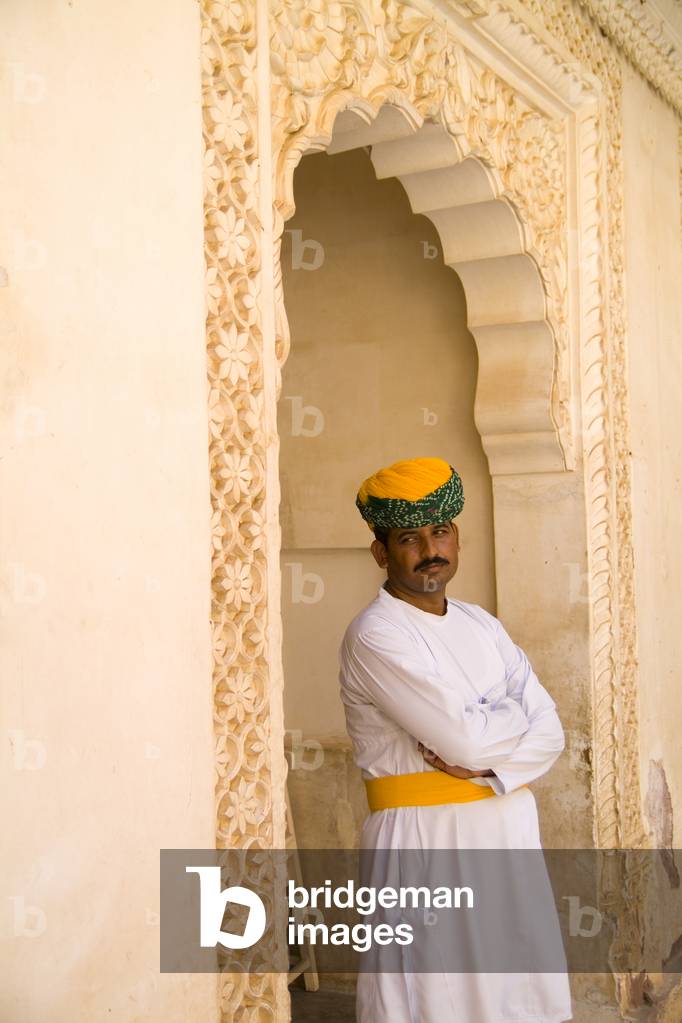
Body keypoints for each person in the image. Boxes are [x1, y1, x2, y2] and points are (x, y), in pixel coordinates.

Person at [338, 456, 572, 1022]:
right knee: (436, 999)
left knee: (515, 1001)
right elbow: (465, 742)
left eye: (440, 532)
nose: (429, 551)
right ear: (381, 552)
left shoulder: (481, 623)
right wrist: (514, 715)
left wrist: (495, 765)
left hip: (506, 830)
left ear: (457, 537)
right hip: (427, 845)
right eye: (409, 539)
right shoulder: (377, 635)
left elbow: (554, 731)